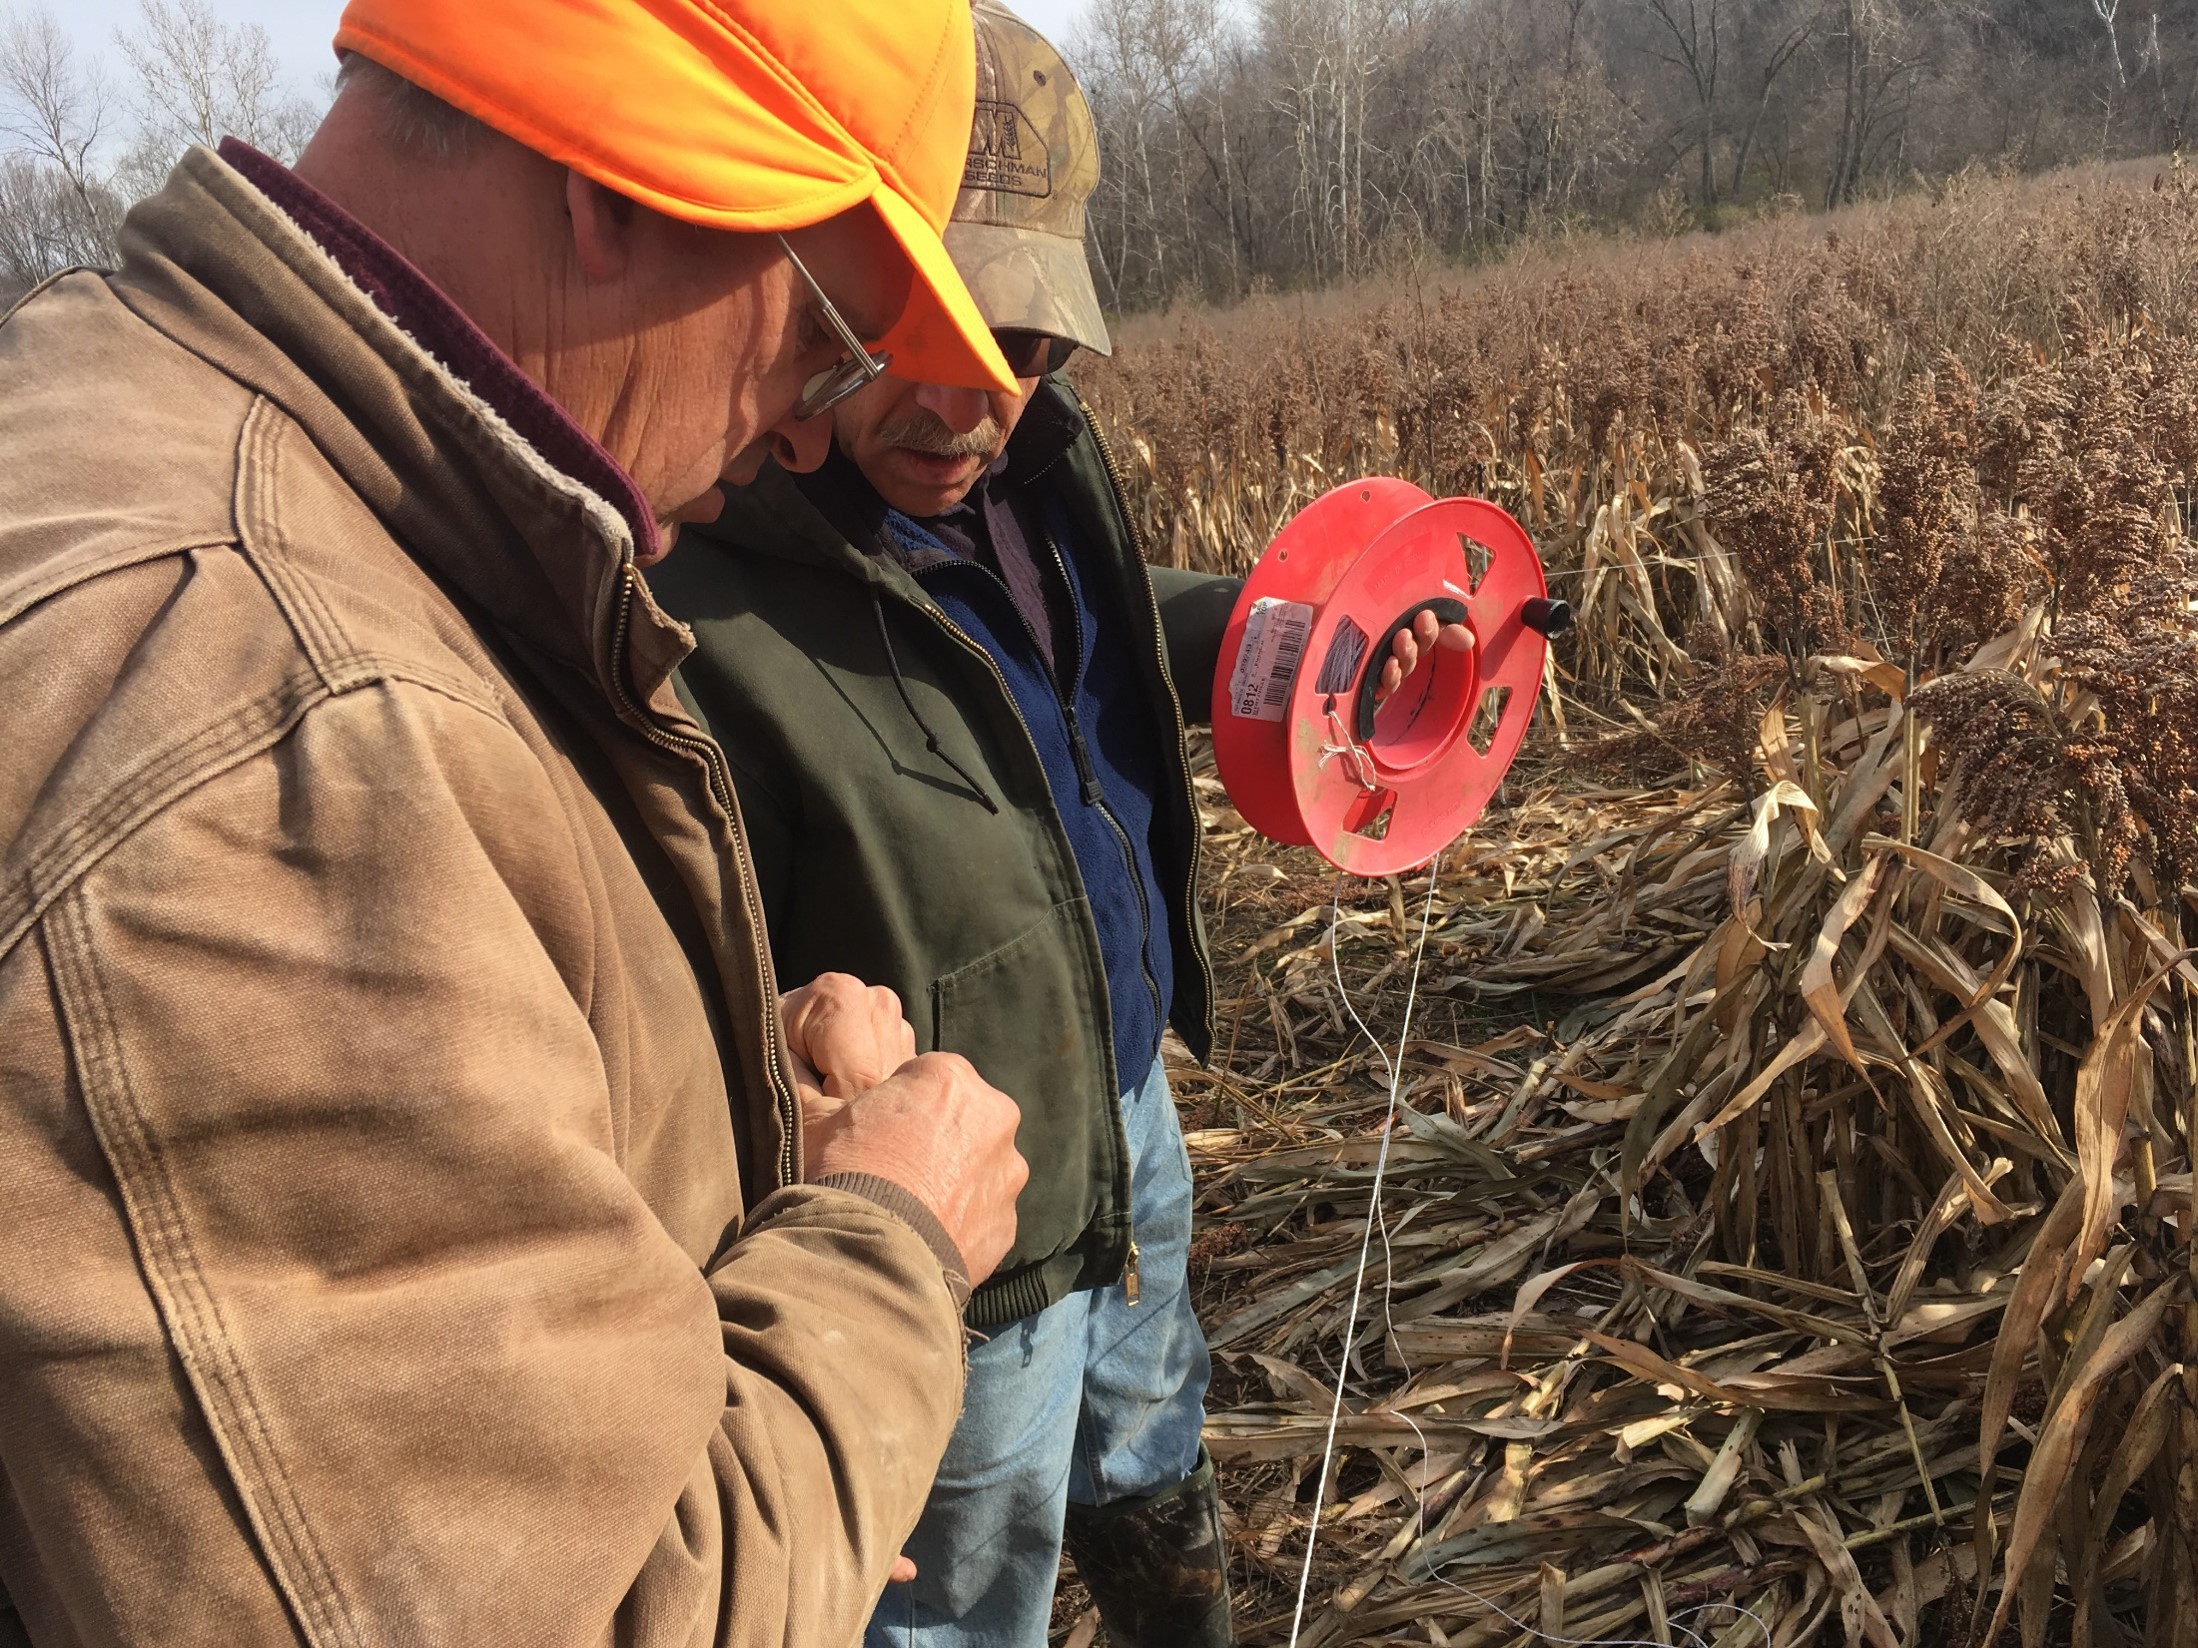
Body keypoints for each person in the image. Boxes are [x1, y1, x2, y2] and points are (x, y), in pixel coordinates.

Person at [0, 1, 1032, 1644]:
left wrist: (655, 1091)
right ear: (619, 177)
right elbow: (600, 1607)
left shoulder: (141, 419)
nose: (806, 431)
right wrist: (883, 1238)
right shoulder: (270, 727)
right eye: (822, 334)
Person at [652, 8, 1471, 1642]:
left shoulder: (1036, 468)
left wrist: (1297, 643)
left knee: (1149, 1430)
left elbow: (1082, 639)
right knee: (970, 1572)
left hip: (1120, 1103)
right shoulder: (700, 587)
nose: (971, 403)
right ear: (820, 292)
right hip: (944, 1241)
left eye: (1021, 346)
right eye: (922, 334)